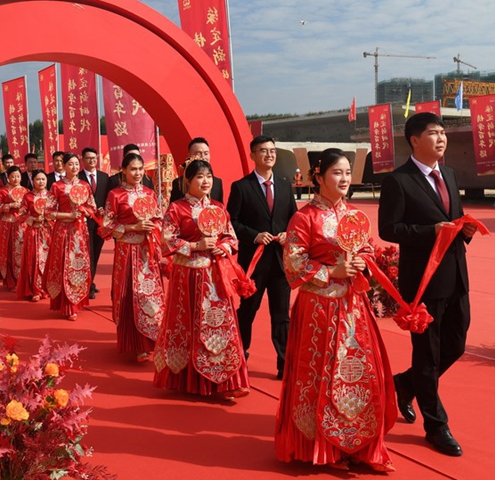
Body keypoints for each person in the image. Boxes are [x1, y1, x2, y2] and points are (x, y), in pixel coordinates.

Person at [276, 148, 395, 472]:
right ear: (318, 176)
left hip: (354, 307)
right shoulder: (304, 217)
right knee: (319, 377)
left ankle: (359, 444)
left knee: (357, 373)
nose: (343, 179)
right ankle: (321, 448)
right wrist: (331, 273)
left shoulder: (355, 215)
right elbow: (293, 264)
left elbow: (368, 250)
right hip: (318, 308)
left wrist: (361, 263)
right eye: (336, 173)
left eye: (346, 173)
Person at [378, 112, 478, 457]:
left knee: (456, 344)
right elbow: (389, 229)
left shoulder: (448, 174)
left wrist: (464, 230)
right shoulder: (398, 181)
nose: (441, 139)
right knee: (426, 356)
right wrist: (429, 232)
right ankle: (436, 425)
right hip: (422, 282)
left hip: (456, 276)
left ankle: (404, 385)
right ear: (414, 140)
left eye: (443, 133)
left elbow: (455, 217)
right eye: (433, 133)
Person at [154, 159, 249, 399]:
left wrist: (223, 247)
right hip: (187, 276)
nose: (206, 181)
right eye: (199, 177)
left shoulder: (218, 207)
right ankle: (188, 379)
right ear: (187, 181)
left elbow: (232, 237)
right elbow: (167, 241)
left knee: (219, 324)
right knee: (188, 325)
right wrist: (195, 245)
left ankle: (226, 381)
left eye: (209, 176)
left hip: (215, 276)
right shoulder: (177, 208)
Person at [226, 135, 297, 380]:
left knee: (281, 316)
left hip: (279, 263)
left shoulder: (286, 186)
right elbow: (231, 222)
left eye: (273, 150)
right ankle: (238, 356)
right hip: (253, 264)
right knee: (248, 311)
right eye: (263, 151)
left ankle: (284, 364)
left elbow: (294, 220)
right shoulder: (241, 187)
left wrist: (289, 234)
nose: (269, 155)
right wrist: (255, 236)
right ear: (252, 155)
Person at [100, 152, 165, 362]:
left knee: (150, 296)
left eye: (140, 169)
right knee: (130, 295)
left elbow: (160, 220)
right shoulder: (115, 195)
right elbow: (106, 226)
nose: (137, 173)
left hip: (147, 253)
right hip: (127, 251)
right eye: (133, 169)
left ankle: (152, 339)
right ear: (124, 171)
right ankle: (136, 344)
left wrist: (153, 227)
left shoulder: (149, 193)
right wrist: (132, 227)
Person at [44, 153, 95, 320]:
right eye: (70, 164)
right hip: (63, 231)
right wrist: (68, 216)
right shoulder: (57, 187)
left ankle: (77, 301)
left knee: (79, 265)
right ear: (64, 166)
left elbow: (92, 207)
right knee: (64, 265)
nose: (74, 167)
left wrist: (84, 211)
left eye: (76, 164)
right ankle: (67, 304)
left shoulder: (85, 186)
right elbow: (48, 212)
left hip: (80, 231)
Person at [17, 170, 55, 302]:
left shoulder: (51, 197)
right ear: (32, 181)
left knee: (48, 260)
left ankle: (48, 288)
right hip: (33, 232)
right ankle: (35, 289)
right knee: (34, 259)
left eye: (43, 179)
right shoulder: (27, 197)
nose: (41, 182)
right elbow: (21, 214)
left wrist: (48, 218)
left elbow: (56, 213)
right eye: (38, 179)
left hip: (48, 232)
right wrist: (33, 219)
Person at [78, 147, 109, 299]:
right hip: (84, 222)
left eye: (94, 158)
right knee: (88, 254)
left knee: (96, 254)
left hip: (100, 222)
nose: (91, 160)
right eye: (88, 158)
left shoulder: (104, 177)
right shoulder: (78, 177)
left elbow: (107, 197)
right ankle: (88, 285)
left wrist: (104, 209)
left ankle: (92, 281)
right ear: (82, 160)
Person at [0, 166, 27, 291]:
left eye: (18, 176)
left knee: (22, 252)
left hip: (22, 226)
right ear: (8, 177)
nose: (16, 179)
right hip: (7, 225)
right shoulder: (2, 191)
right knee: (8, 252)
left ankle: (22, 280)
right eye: (13, 176)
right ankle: (11, 281)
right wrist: (9, 205)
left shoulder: (26, 191)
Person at [169, 137, 224, 203]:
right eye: (198, 153)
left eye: (206, 153)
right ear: (189, 155)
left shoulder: (217, 182)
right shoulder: (180, 183)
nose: (203, 157)